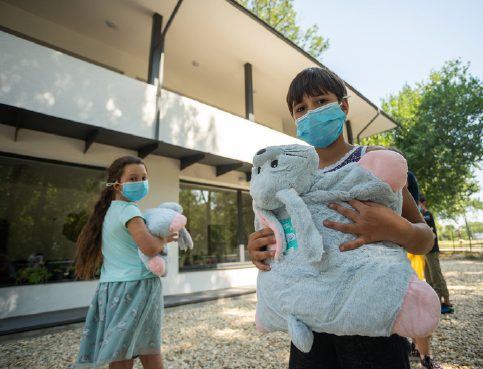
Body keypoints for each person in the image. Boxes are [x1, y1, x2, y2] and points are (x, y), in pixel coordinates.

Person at [247, 67, 434, 369]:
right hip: (311, 326)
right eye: (301, 108)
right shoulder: (290, 179)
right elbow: (279, 235)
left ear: (343, 106)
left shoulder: (373, 162)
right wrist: (258, 247)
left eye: (321, 101)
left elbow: (424, 239)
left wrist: (393, 227)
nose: (311, 112)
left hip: (371, 319)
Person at [73, 156, 174, 369]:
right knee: (140, 348)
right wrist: (165, 239)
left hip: (111, 288)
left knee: (130, 347)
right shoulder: (129, 210)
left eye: (144, 177)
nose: (140, 182)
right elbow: (148, 247)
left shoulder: (108, 211)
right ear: (117, 184)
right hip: (138, 286)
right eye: (133, 178)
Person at [420, 195, 453, 313]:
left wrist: (420, 213)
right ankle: (434, 301)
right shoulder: (420, 215)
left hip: (432, 250)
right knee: (428, 276)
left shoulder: (427, 214)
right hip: (425, 251)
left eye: (419, 203)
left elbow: (430, 231)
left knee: (436, 276)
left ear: (424, 203)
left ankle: (444, 301)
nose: (418, 206)